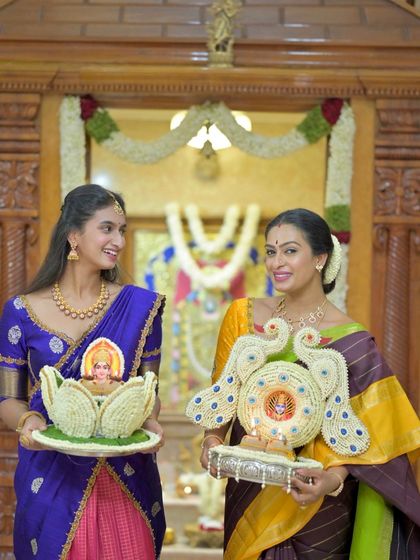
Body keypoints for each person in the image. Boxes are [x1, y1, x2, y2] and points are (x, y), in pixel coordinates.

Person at [200, 208, 420, 559]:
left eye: (290, 250)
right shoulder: (243, 317)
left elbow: (378, 435)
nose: (276, 262)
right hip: (251, 489)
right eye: (271, 252)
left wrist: (332, 481)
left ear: (320, 257)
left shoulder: (353, 341)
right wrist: (211, 439)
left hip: (319, 507)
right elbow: (221, 396)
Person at [0, 184, 166, 559]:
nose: (119, 240)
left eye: (122, 230)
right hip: (52, 472)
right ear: (74, 235)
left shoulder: (140, 308)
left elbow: (149, 390)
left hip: (125, 474)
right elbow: (7, 397)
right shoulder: (22, 311)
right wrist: (27, 422)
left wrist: (152, 421)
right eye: (107, 228)